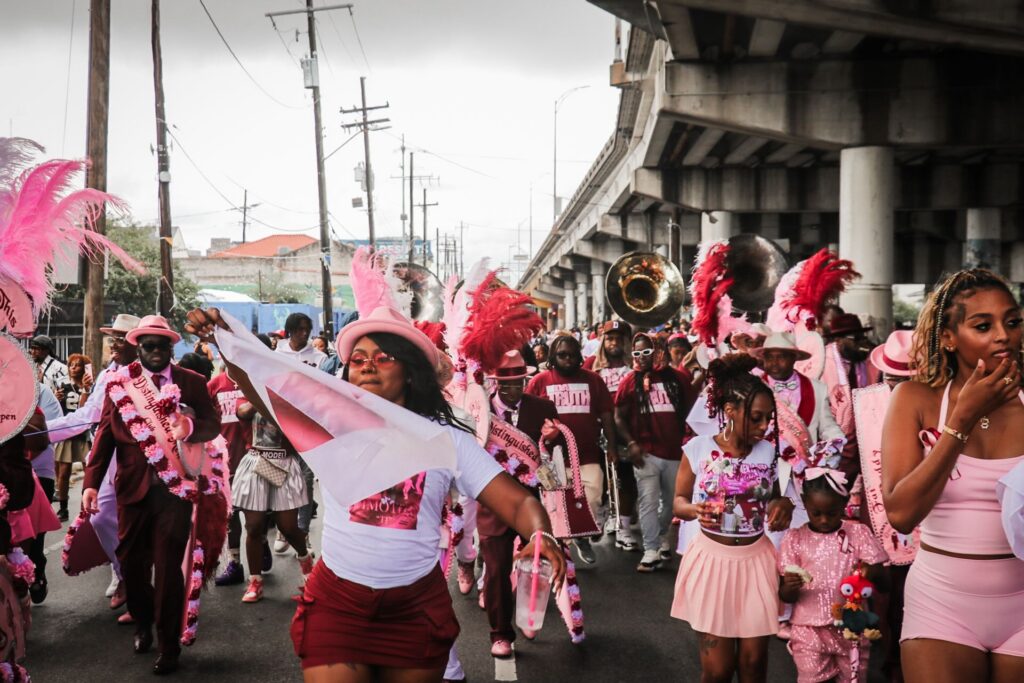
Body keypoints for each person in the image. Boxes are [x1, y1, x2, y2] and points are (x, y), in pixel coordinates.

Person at [185, 304, 566, 683]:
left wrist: (540, 534)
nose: (367, 365)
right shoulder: (326, 422)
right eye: (358, 358)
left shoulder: (447, 441)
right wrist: (224, 336)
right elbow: (259, 378)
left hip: (414, 612)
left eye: (383, 357)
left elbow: (517, 501)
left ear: (411, 373)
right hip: (338, 608)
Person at [882, 268, 1024, 682]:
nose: (1003, 335)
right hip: (942, 603)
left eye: (1012, 322)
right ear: (948, 337)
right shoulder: (913, 400)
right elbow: (902, 513)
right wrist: (961, 419)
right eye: (983, 325)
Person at [82, 315, 222, 675]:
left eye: (163, 346)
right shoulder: (120, 384)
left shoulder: (192, 382)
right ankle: (143, 623)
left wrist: (190, 426)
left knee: (169, 570)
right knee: (132, 566)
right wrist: (91, 483)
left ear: (172, 349)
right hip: (132, 491)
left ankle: (169, 645)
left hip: (174, 492)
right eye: (149, 346)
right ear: (138, 348)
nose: (156, 352)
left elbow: (212, 422)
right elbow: (104, 438)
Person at [671, 353, 794, 683]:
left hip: (757, 562)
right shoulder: (697, 449)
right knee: (718, 671)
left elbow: (776, 500)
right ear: (730, 411)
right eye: (756, 418)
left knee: (754, 668)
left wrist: (782, 506)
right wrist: (694, 510)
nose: (764, 426)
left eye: (768, 418)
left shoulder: (769, 453)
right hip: (712, 563)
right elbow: (678, 503)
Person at [45, 313, 140, 610]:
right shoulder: (106, 374)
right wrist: (41, 432)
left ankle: (145, 588)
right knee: (101, 518)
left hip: (144, 462)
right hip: (109, 458)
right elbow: (90, 417)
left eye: (121, 338)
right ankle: (124, 572)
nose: (114, 343)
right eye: (113, 337)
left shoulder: (148, 374)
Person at [479, 350, 561, 656]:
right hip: (493, 500)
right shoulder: (478, 409)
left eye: (519, 382)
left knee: (536, 560)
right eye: (507, 383)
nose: (514, 389)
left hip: (531, 500)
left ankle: (531, 614)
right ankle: (500, 634)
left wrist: (552, 438)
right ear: (496, 382)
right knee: (497, 569)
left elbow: (556, 453)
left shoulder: (543, 407)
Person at [779, 469, 888, 683]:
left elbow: (885, 584)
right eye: (816, 513)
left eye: (832, 513)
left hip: (852, 629)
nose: (824, 520)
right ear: (804, 503)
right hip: (809, 631)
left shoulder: (858, 534)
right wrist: (790, 586)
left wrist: (873, 571)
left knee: (853, 679)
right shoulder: (795, 539)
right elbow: (785, 596)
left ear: (844, 503)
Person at [853, 329, 917, 682]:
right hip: (877, 516)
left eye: (906, 378)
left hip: (922, 517)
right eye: (893, 378)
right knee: (885, 595)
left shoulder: (933, 401)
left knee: (914, 597)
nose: (898, 385)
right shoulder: (865, 403)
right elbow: (850, 453)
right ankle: (891, 661)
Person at [526, 333, 617, 564]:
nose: (567, 359)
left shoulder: (594, 380)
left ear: (579, 356)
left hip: (587, 455)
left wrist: (613, 447)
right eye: (562, 355)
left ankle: (581, 535)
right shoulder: (539, 381)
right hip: (552, 459)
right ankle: (561, 552)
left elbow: (607, 416)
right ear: (552, 358)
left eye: (572, 355)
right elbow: (527, 417)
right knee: (556, 508)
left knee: (593, 499)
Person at [614, 333, 697, 571]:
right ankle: (650, 550)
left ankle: (661, 537)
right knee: (648, 502)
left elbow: (692, 406)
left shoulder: (677, 379)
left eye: (646, 353)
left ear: (658, 350)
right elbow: (618, 415)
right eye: (636, 354)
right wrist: (631, 443)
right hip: (645, 453)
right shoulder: (629, 380)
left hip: (674, 453)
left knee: (672, 504)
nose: (640, 358)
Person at [231, 399, 313, 602]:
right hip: (256, 462)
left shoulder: (288, 400)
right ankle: (255, 582)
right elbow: (243, 412)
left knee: (288, 527)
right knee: (254, 526)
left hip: (284, 463)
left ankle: (308, 569)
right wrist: (260, 394)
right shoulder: (248, 395)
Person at [584, 320, 639, 551]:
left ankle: (624, 528)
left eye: (619, 338)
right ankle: (602, 513)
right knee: (600, 478)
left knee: (627, 479)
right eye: (609, 338)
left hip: (627, 431)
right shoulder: (591, 365)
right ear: (603, 341)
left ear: (627, 342)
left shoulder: (635, 366)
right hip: (598, 431)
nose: (614, 342)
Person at [208, 364, 255, 587]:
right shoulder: (214, 385)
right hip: (225, 462)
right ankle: (235, 563)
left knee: (256, 515)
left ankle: (260, 542)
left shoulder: (254, 379)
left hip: (254, 458)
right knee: (230, 514)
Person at [53, 352, 92, 522]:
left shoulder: (91, 385)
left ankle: (87, 506)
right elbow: (57, 410)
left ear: (85, 368)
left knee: (89, 469)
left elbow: (84, 410)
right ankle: (63, 508)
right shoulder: (63, 384)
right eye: (71, 365)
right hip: (67, 430)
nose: (73, 368)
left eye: (77, 365)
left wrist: (85, 390)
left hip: (83, 432)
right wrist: (56, 399)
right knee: (63, 472)